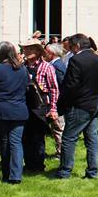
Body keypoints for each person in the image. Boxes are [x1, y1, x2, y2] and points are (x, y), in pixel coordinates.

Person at [55, 33, 98, 180]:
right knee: (92, 139)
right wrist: (95, 95)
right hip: (96, 103)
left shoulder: (76, 60)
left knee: (69, 138)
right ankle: (93, 171)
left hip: (80, 105)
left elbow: (70, 85)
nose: (70, 51)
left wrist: (63, 103)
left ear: (77, 46)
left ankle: (65, 171)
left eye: (71, 47)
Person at [0, 41, 29, 184]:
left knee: (4, 141)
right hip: (19, 109)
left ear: (0, 53)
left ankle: (6, 174)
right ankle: (16, 175)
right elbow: (27, 88)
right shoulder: (22, 69)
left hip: (1, 110)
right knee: (16, 142)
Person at [21, 39, 59, 172]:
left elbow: (54, 89)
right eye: (25, 49)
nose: (27, 51)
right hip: (24, 106)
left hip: (40, 106)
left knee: (38, 137)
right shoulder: (21, 67)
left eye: (30, 49)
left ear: (38, 51)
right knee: (25, 136)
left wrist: (53, 108)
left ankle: (38, 165)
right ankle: (28, 164)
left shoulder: (47, 67)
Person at [43, 43, 67, 158]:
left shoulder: (56, 66)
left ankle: (61, 153)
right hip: (55, 103)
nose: (44, 54)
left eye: (46, 52)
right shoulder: (56, 64)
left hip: (57, 103)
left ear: (51, 54)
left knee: (58, 128)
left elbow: (60, 86)